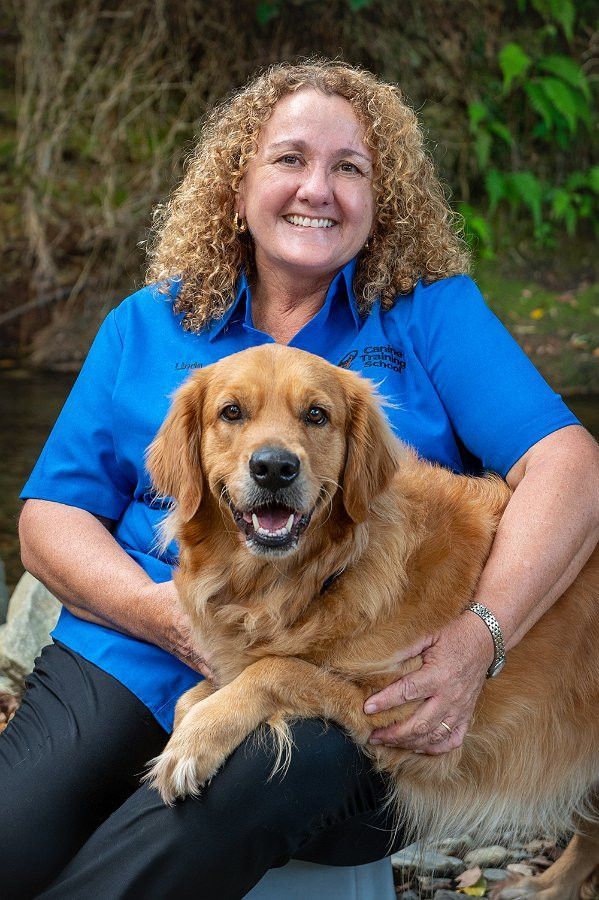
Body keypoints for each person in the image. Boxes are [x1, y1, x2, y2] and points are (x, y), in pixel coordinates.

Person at [4, 60, 598, 898]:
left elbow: (568, 464)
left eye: (348, 167)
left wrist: (477, 640)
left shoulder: (428, 310)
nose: (315, 188)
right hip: (137, 641)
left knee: (235, 794)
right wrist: (163, 615)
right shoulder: (144, 324)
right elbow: (50, 515)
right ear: (237, 180)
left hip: (336, 672)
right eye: (288, 159)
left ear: (378, 196)